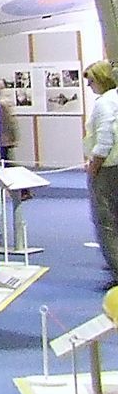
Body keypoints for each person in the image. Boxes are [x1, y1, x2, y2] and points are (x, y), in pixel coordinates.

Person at [83, 59, 118, 281]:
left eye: (91, 81)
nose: (89, 86)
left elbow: (105, 138)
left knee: (105, 220)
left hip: (106, 168)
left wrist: (93, 165)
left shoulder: (104, 104)